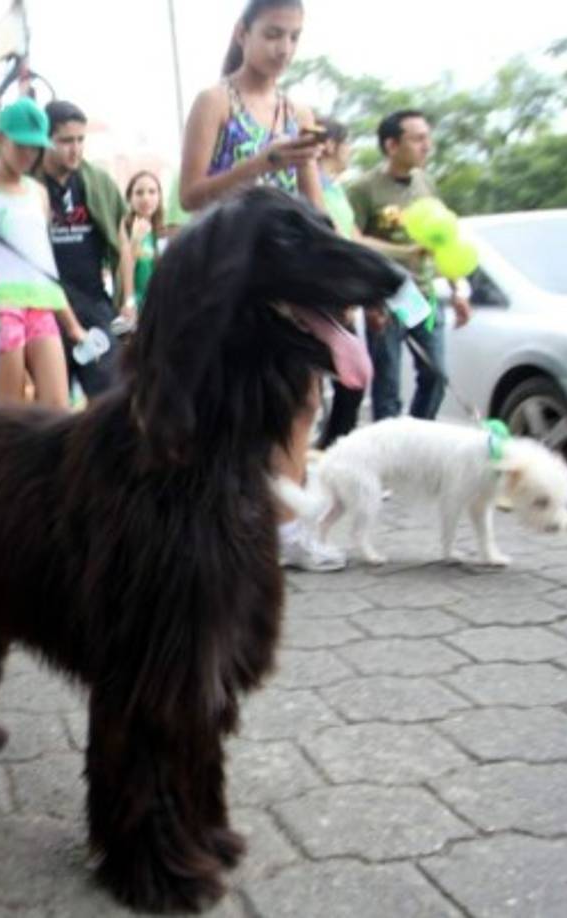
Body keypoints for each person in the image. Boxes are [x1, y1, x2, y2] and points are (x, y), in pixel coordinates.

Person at [178, 0, 344, 573]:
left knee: (303, 394)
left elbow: (312, 204)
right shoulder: (214, 102)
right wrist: (262, 160)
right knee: (229, 399)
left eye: (294, 38)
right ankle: (216, 525)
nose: (283, 48)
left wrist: (305, 175)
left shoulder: (298, 108)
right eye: (273, 34)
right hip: (224, 272)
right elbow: (191, 196)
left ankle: (287, 527)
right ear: (243, 33)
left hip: (283, 273)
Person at [349, 109, 471, 422]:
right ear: (391, 145)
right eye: (417, 139)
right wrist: (403, 253)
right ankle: (388, 454)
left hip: (423, 297)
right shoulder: (365, 188)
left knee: (436, 375)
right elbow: (352, 240)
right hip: (389, 295)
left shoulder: (426, 183)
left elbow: (444, 238)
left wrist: (458, 289)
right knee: (387, 386)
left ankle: (415, 437)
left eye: (427, 138)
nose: (426, 146)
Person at [0, 98, 87, 408]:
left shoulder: (38, 193)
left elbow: (43, 263)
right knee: (8, 414)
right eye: (21, 145)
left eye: (35, 147)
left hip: (42, 305)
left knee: (57, 408)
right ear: (1, 140)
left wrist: (72, 324)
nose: (29, 154)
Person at [38, 100, 127, 400]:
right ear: (45, 140)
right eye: (65, 141)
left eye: (80, 140)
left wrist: (126, 300)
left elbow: (121, 240)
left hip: (94, 304)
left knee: (112, 400)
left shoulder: (97, 182)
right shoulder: (28, 184)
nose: (75, 149)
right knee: (51, 410)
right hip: (45, 308)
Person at [313, 117, 365, 450]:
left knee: (354, 380)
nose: (350, 151)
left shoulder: (335, 190)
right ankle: (332, 447)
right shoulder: (311, 186)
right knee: (345, 381)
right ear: (329, 144)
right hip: (323, 298)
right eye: (348, 143)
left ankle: (333, 446)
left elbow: (354, 239)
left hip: (344, 293)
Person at [117, 170, 166, 325]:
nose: (146, 198)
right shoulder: (125, 226)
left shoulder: (163, 229)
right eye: (139, 193)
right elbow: (125, 267)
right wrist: (129, 303)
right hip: (136, 307)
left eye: (152, 192)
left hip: (159, 306)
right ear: (130, 198)